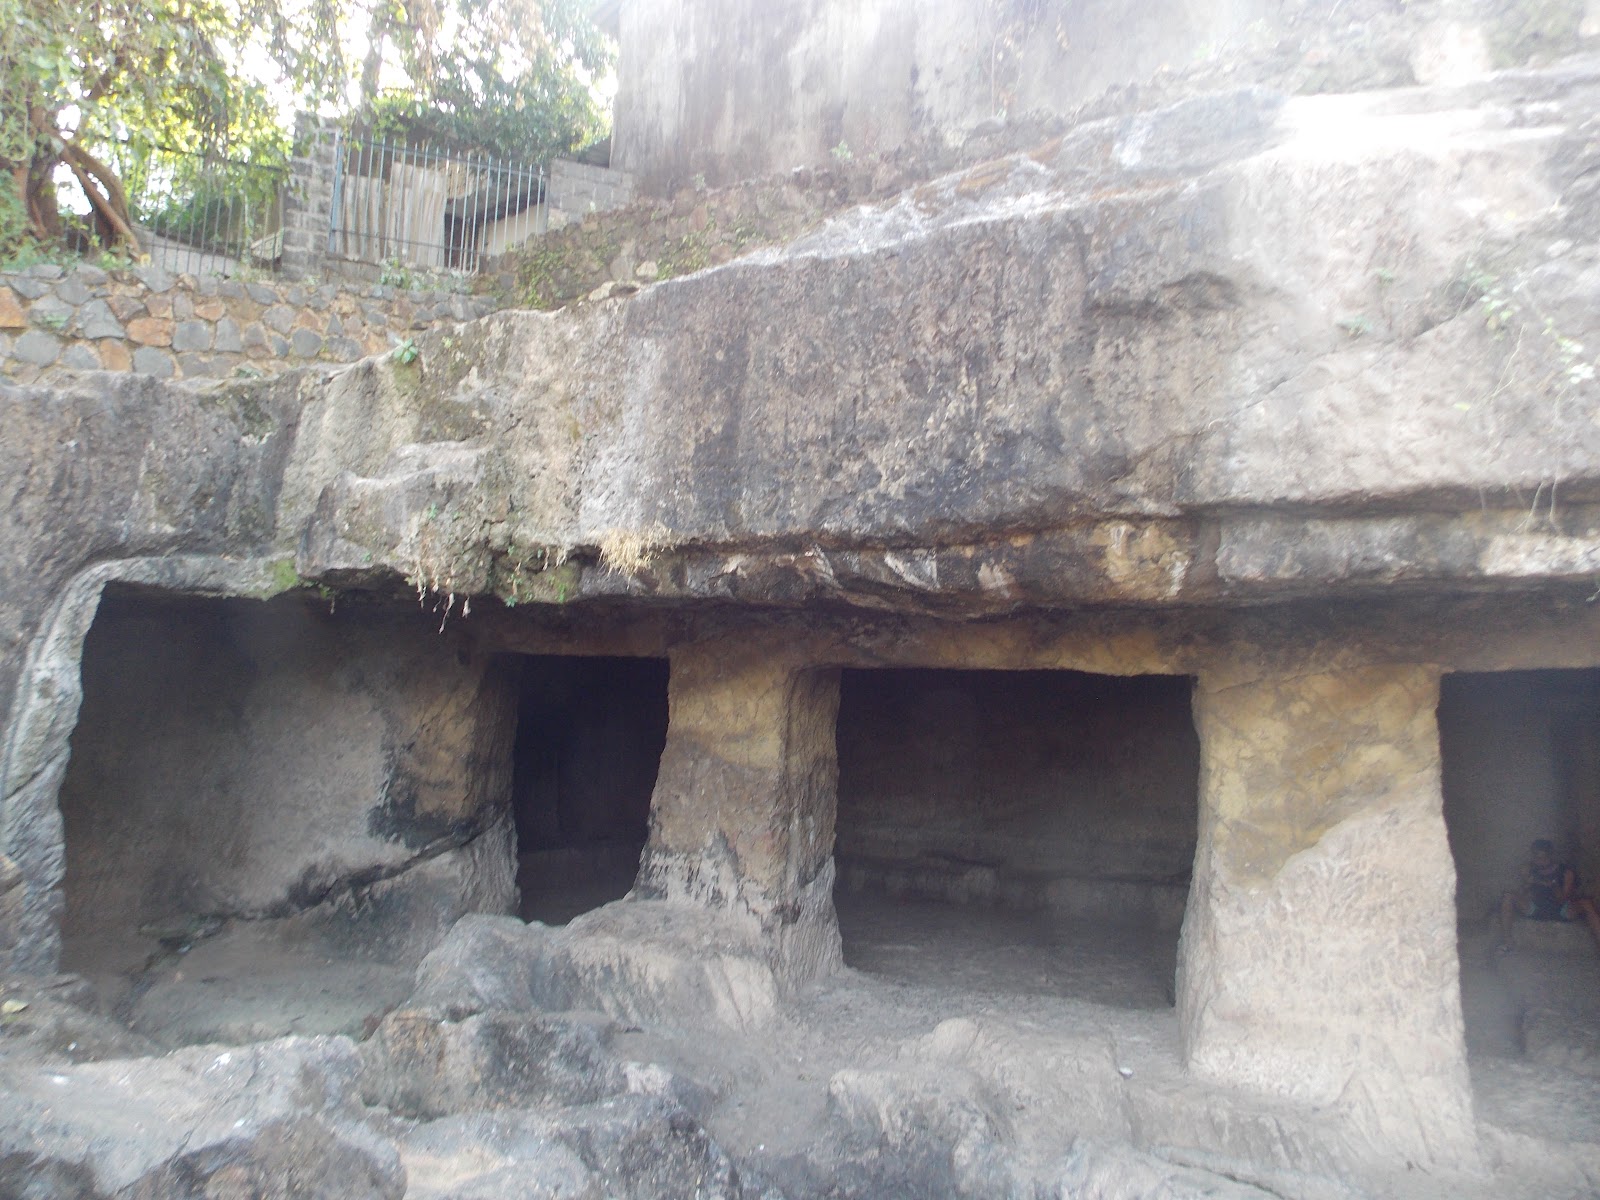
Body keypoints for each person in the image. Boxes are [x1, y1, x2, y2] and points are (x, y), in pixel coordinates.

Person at [1499, 838, 1600, 954]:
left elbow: (1564, 899)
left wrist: (1554, 886)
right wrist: (1528, 884)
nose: (1539, 862)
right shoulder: (1528, 869)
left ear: (1551, 855)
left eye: (1543, 858)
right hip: (1535, 907)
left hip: (1561, 910)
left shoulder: (1566, 872)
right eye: (1536, 858)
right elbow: (1524, 893)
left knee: (1586, 903)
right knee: (1508, 896)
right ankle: (1508, 942)